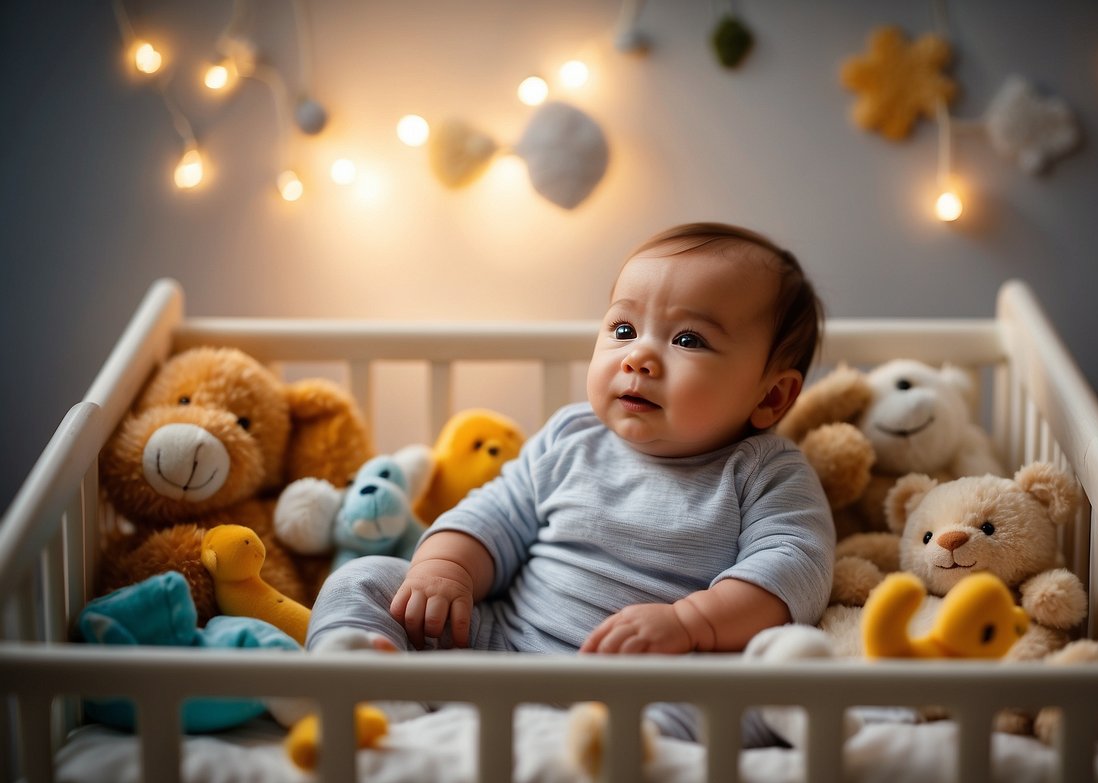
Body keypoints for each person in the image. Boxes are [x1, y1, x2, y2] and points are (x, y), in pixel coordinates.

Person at [307, 222, 835, 745]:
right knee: (368, 578)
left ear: (771, 397)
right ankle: (369, 693)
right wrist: (443, 569)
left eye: (687, 339)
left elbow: (793, 566)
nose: (638, 357)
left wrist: (689, 622)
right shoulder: (570, 436)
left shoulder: (766, 472)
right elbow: (494, 514)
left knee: (745, 704)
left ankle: (602, 754)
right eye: (623, 330)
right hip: (500, 649)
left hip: (652, 681)